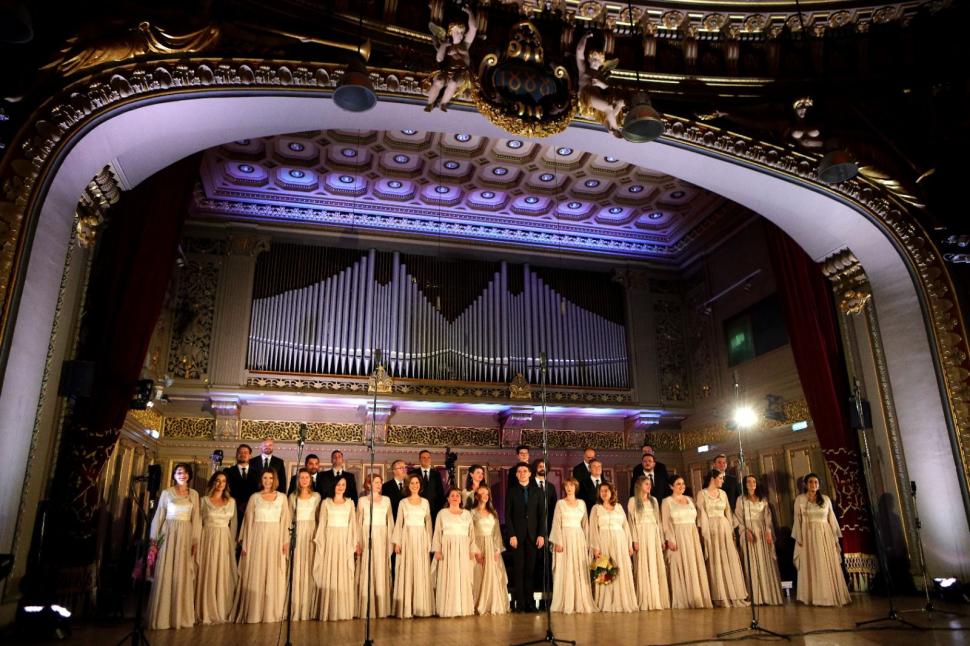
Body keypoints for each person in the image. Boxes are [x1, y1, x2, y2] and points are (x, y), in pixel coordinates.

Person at [148, 463, 201, 630]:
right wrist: (154, 539)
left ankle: (180, 616)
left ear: (189, 475)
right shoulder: (166, 493)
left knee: (182, 571)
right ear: (174, 475)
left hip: (186, 534)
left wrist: (195, 541)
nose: (182, 475)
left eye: (185, 472)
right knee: (166, 570)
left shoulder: (194, 494)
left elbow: (196, 519)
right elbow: (159, 516)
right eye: (179, 472)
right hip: (169, 532)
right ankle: (162, 617)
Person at [234, 468, 290, 623]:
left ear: (275, 480)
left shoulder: (282, 498)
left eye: (270, 478)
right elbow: (248, 522)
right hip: (257, 538)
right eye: (265, 478)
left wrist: (285, 541)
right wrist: (246, 542)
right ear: (261, 479)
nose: (268, 481)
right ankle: (255, 612)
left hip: (275, 538)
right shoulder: (254, 497)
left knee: (273, 571)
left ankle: (272, 611)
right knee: (257, 571)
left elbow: (285, 521)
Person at [792, 472, 851, 606]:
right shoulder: (800, 499)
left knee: (825, 562)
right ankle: (813, 596)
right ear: (806, 485)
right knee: (811, 563)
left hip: (825, 535)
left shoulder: (826, 499)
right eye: (811, 482)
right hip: (808, 535)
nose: (813, 484)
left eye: (816, 482)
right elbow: (797, 519)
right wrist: (799, 539)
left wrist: (834, 538)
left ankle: (829, 595)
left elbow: (832, 519)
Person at [696, 469, 749, 607]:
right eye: (720, 478)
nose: (722, 480)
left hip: (724, 527)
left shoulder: (723, 494)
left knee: (728, 558)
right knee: (715, 559)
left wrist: (731, 531)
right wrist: (705, 534)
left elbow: (728, 513)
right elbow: (701, 516)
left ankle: (733, 594)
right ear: (713, 478)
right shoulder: (702, 494)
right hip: (711, 529)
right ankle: (719, 595)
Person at [662, 475, 713, 609]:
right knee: (680, 564)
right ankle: (684, 598)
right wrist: (670, 539)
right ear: (671, 486)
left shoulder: (690, 500)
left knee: (693, 564)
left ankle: (696, 596)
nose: (682, 486)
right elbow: (666, 523)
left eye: (683, 484)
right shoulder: (667, 501)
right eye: (678, 484)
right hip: (678, 535)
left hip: (692, 535)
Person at [313, 475, 359, 621]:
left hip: (344, 540)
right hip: (330, 540)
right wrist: (321, 542)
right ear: (333, 485)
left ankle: (343, 610)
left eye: (343, 484)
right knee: (330, 571)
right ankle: (329, 609)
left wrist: (354, 542)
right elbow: (322, 524)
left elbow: (353, 525)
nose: (341, 487)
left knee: (343, 571)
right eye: (338, 484)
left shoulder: (350, 503)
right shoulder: (326, 503)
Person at [588, 481, 637, 612]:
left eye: (606, 490)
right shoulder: (596, 508)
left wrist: (629, 544)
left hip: (619, 540)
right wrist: (595, 546)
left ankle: (622, 600)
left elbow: (625, 526)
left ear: (612, 492)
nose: (604, 493)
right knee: (606, 570)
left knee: (620, 568)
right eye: (602, 491)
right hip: (603, 541)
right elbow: (593, 529)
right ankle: (607, 601)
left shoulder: (619, 507)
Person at [196, 471, 237, 624]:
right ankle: (205, 608)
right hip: (207, 538)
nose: (220, 484)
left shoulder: (231, 501)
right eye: (218, 481)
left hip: (224, 539)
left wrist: (232, 544)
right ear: (213, 482)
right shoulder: (203, 501)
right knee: (208, 571)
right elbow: (198, 523)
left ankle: (220, 608)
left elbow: (233, 526)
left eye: (224, 481)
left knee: (221, 572)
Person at [505, 461, 546, 613]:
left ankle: (530, 603)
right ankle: (520, 604)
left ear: (530, 473)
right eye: (519, 471)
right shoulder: (512, 491)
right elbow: (507, 516)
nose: (522, 473)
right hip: (517, 537)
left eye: (524, 471)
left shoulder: (538, 492)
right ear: (516, 475)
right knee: (519, 570)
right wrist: (512, 535)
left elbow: (542, 515)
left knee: (530, 571)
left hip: (533, 536)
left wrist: (541, 535)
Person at [549, 477, 595, 614]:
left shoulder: (582, 503)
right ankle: (566, 601)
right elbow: (556, 523)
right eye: (567, 486)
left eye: (572, 486)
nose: (569, 488)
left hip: (578, 538)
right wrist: (558, 541)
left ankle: (580, 600)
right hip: (564, 538)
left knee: (578, 568)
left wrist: (588, 543)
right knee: (566, 568)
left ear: (576, 487)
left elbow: (585, 524)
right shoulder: (560, 503)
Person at [392, 473, 435, 618]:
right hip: (407, 537)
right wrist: (397, 542)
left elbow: (428, 523)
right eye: (412, 483)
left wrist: (430, 543)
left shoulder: (425, 502)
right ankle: (406, 607)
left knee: (420, 569)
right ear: (408, 486)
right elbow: (399, 522)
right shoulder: (403, 502)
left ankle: (420, 606)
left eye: (417, 483)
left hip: (421, 538)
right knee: (407, 569)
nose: (415, 485)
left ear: (420, 485)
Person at [736, 475, 783, 606]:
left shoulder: (763, 499)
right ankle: (757, 597)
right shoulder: (741, 500)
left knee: (765, 561)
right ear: (745, 485)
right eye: (749, 482)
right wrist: (745, 531)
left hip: (762, 532)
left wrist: (768, 531)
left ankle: (768, 595)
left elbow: (767, 517)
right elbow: (738, 518)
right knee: (753, 562)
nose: (752, 484)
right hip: (749, 531)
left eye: (754, 481)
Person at [432, 488, 479, 617]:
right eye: (452, 495)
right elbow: (437, 532)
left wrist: (472, 550)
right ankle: (448, 608)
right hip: (447, 549)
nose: (455, 497)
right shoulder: (442, 513)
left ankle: (462, 607)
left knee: (462, 576)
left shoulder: (467, 514)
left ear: (460, 498)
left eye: (457, 495)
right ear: (448, 499)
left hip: (463, 549)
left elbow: (472, 534)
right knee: (449, 576)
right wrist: (437, 549)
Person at [627, 476, 670, 611]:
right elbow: (631, 522)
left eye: (649, 484)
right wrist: (634, 540)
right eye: (646, 484)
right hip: (641, 534)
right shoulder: (633, 501)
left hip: (653, 534)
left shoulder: (654, 501)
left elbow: (659, 521)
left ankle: (657, 598)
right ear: (639, 485)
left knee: (655, 563)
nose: (649, 486)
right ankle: (645, 598)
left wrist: (662, 539)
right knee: (643, 564)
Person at [357, 474, 393, 618]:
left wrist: (391, 541)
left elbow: (390, 521)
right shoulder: (361, 501)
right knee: (367, 567)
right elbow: (357, 523)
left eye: (380, 482)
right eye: (375, 482)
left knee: (380, 567)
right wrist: (357, 542)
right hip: (367, 535)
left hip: (382, 535)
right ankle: (366, 606)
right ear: (368, 484)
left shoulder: (386, 500)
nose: (379, 485)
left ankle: (381, 606)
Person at [288, 468, 321, 620]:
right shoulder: (292, 497)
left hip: (312, 532)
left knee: (310, 566)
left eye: (307, 477)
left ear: (311, 479)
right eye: (301, 477)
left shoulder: (317, 497)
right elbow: (289, 519)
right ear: (298, 480)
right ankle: (296, 604)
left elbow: (320, 518)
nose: (304, 480)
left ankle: (309, 605)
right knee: (297, 566)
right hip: (298, 532)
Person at [470, 485, 508, 615]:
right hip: (479, 545)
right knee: (478, 574)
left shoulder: (493, 513)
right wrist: (475, 551)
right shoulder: (472, 513)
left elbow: (497, 533)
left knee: (493, 575)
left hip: (491, 546)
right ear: (476, 496)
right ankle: (477, 604)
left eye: (487, 494)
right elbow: (471, 534)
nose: (485, 496)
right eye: (482, 493)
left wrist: (497, 550)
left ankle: (492, 603)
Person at [532, 457, 557, 609]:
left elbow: (555, 509)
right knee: (535, 564)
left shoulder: (551, 487)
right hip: (533, 530)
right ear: (535, 468)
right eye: (540, 466)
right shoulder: (529, 485)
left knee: (547, 563)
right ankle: (535, 597)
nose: (542, 468)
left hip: (548, 529)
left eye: (544, 466)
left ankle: (546, 599)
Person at [225, 444, 260, 530]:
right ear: (236, 455)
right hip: (233, 510)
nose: (243, 454)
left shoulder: (258, 473)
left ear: (250, 455)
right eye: (240, 452)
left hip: (252, 510)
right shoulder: (228, 472)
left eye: (245, 452)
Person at [412, 449, 445, 522]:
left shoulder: (436, 474)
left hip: (433, 510)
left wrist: (438, 508)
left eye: (428, 457)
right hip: (417, 509)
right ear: (419, 460)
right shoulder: (413, 473)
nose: (426, 459)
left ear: (431, 459)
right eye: (423, 457)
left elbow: (440, 492)